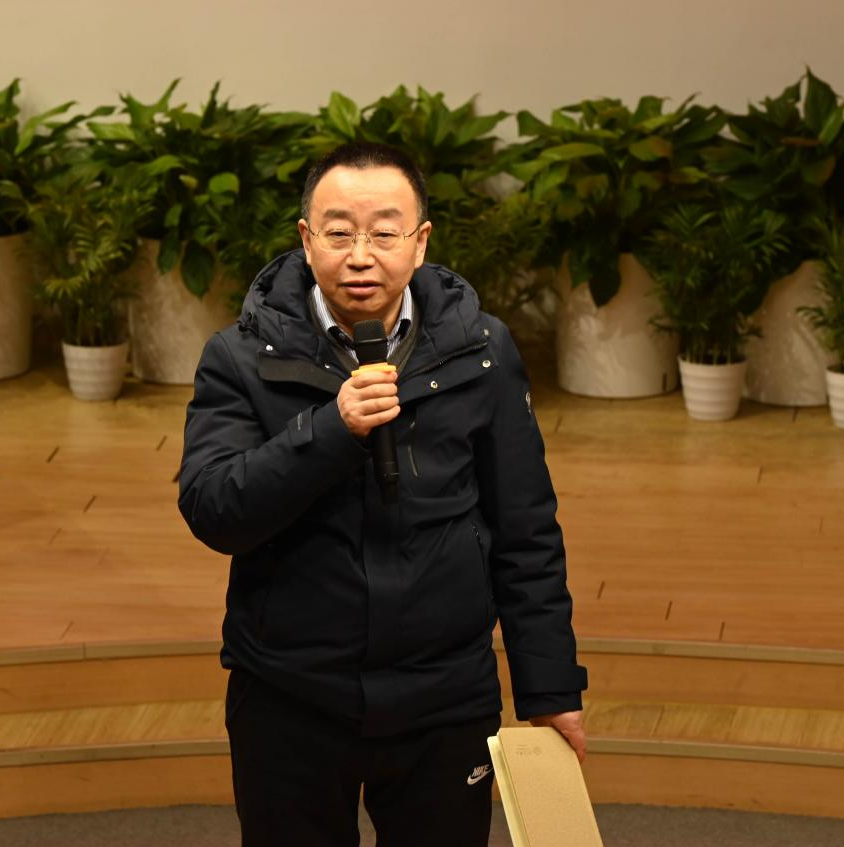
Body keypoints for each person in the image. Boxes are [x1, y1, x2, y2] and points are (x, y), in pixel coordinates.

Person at [178, 142, 587, 847]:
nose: (360, 256)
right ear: (306, 239)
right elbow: (215, 508)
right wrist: (330, 430)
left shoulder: (482, 352)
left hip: (444, 693)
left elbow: (526, 532)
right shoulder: (241, 357)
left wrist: (549, 687)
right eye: (338, 233)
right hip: (290, 693)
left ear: (420, 242)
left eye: (384, 233)